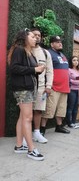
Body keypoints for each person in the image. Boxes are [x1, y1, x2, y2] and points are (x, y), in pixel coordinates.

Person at [7, 28, 45, 161]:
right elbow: (14, 68)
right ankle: (31, 149)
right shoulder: (19, 49)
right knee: (28, 118)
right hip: (23, 88)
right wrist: (35, 69)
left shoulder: (29, 52)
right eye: (32, 36)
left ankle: (19, 146)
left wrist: (38, 70)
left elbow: (28, 70)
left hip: (27, 87)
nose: (35, 38)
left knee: (22, 116)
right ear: (25, 37)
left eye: (36, 37)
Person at [40, 36, 70, 135]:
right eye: (57, 42)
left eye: (60, 42)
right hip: (54, 87)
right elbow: (45, 70)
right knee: (49, 109)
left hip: (64, 88)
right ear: (52, 44)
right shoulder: (48, 53)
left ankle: (59, 126)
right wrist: (48, 85)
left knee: (61, 109)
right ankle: (42, 128)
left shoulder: (62, 55)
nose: (60, 43)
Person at [31, 28, 53, 143]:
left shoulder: (45, 52)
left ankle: (37, 133)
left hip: (41, 87)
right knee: (26, 111)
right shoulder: (26, 50)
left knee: (38, 110)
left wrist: (48, 86)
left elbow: (50, 71)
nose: (37, 37)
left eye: (39, 35)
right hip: (28, 86)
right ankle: (25, 135)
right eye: (34, 35)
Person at [66, 56, 79, 129]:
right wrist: (78, 82)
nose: (76, 61)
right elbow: (69, 80)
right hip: (72, 90)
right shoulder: (69, 70)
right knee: (70, 107)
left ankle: (74, 122)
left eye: (77, 60)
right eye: (74, 60)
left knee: (76, 107)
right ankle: (69, 123)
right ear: (71, 61)